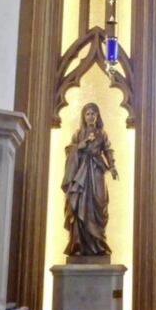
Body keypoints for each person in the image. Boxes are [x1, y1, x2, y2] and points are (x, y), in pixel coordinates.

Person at [62, 103, 119, 256]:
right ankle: (79, 244)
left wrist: (112, 167)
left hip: (97, 172)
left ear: (98, 116)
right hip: (81, 174)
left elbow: (108, 150)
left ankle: (98, 244)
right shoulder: (78, 133)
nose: (91, 116)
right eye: (88, 113)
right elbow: (70, 150)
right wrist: (82, 144)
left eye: (94, 113)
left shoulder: (102, 134)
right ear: (84, 117)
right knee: (80, 203)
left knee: (99, 204)